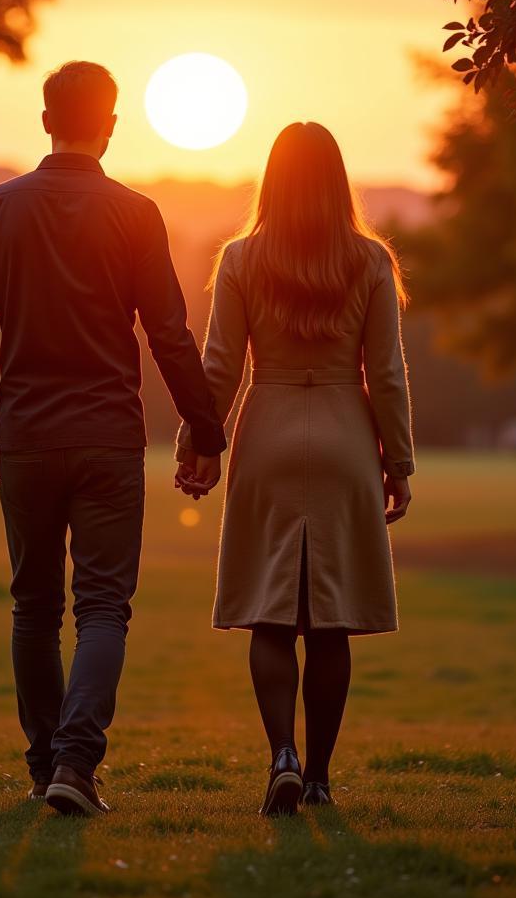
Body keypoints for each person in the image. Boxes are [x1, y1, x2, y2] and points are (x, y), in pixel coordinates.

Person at [0, 61, 226, 817]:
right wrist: (208, 432)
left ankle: (47, 769)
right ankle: (76, 764)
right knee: (103, 607)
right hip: (108, 436)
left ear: (45, 120)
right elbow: (169, 335)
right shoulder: (135, 214)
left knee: (33, 608)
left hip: (28, 436)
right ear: (109, 125)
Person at [175, 122, 414, 815]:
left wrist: (200, 447)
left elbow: (218, 367)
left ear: (270, 181)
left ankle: (279, 752)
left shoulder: (242, 258)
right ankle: (318, 776)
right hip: (344, 436)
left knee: (270, 616)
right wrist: (397, 460)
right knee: (331, 620)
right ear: (339, 181)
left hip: (269, 431)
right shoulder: (369, 262)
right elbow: (388, 374)